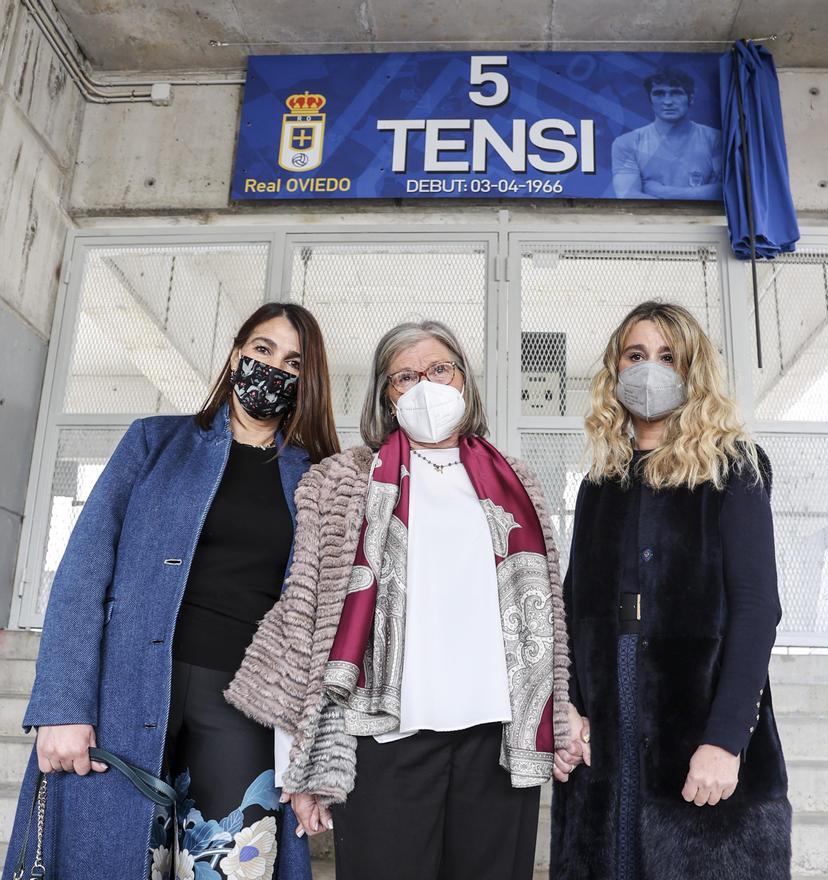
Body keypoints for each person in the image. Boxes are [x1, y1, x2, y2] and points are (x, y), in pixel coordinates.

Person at [227, 320, 583, 880]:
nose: (425, 384)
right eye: (404, 376)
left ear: (464, 381)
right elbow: (306, 620)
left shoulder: (517, 480)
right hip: (382, 741)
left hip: (496, 739)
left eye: (439, 369)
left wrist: (560, 712)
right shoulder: (340, 482)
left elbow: (548, 620)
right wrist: (298, 765)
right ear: (385, 397)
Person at [4, 302, 340, 880]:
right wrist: (62, 704)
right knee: (108, 862)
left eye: (292, 362)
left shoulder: (318, 477)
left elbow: (326, 619)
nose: (272, 369)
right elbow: (83, 573)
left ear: (306, 382)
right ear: (236, 354)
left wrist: (316, 756)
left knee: (230, 868)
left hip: (244, 706)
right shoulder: (153, 444)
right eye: (262, 350)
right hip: (126, 692)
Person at [550, 301, 791, 880]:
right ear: (615, 370)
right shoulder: (598, 483)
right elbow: (573, 603)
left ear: (694, 373)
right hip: (607, 705)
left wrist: (726, 740)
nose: (650, 369)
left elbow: (757, 610)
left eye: (668, 357)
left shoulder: (734, 468)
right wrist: (568, 711)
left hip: (694, 702)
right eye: (636, 355)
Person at [611, 68, 722, 199]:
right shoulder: (627, 143)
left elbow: (725, 192)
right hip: (649, 220)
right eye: (659, 94)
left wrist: (661, 191)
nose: (668, 102)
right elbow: (628, 196)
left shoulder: (716, 139)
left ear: (690, 99)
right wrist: (700, 194)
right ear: (650, 101)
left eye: (676, 93)